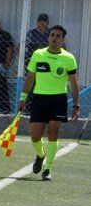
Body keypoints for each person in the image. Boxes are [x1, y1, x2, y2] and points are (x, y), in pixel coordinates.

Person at [18, 25, 79, 181]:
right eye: (52, 35)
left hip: (58, 100)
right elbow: (30, 77)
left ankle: (47, 169)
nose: (54, 38)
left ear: (62, 40)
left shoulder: (68, 58)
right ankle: (40, 154)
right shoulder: (38, 54)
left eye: (58, 36)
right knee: (35, 136)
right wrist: (23, 97)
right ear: (48, 37)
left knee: (53, 133)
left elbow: (73, 83)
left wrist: (76, 106)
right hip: (39, 99)